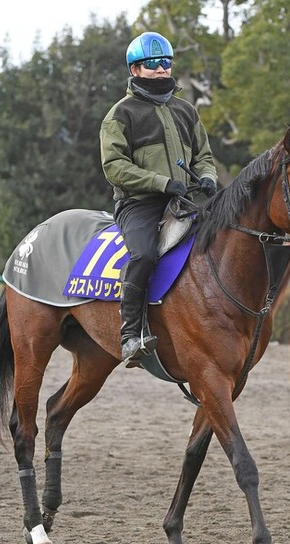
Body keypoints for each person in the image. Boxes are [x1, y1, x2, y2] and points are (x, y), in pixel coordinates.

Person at [100, 31, 218, 368]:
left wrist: (207, 178)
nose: (162, 69)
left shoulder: (186, 111)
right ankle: (130, 336)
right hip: (138, 204)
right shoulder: (120, 114)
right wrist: (161, 183)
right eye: (152, 64)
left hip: (182, 202)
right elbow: (114, 167)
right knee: (145, 254)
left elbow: (204, 157)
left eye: (165, 62)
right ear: (135, 70)